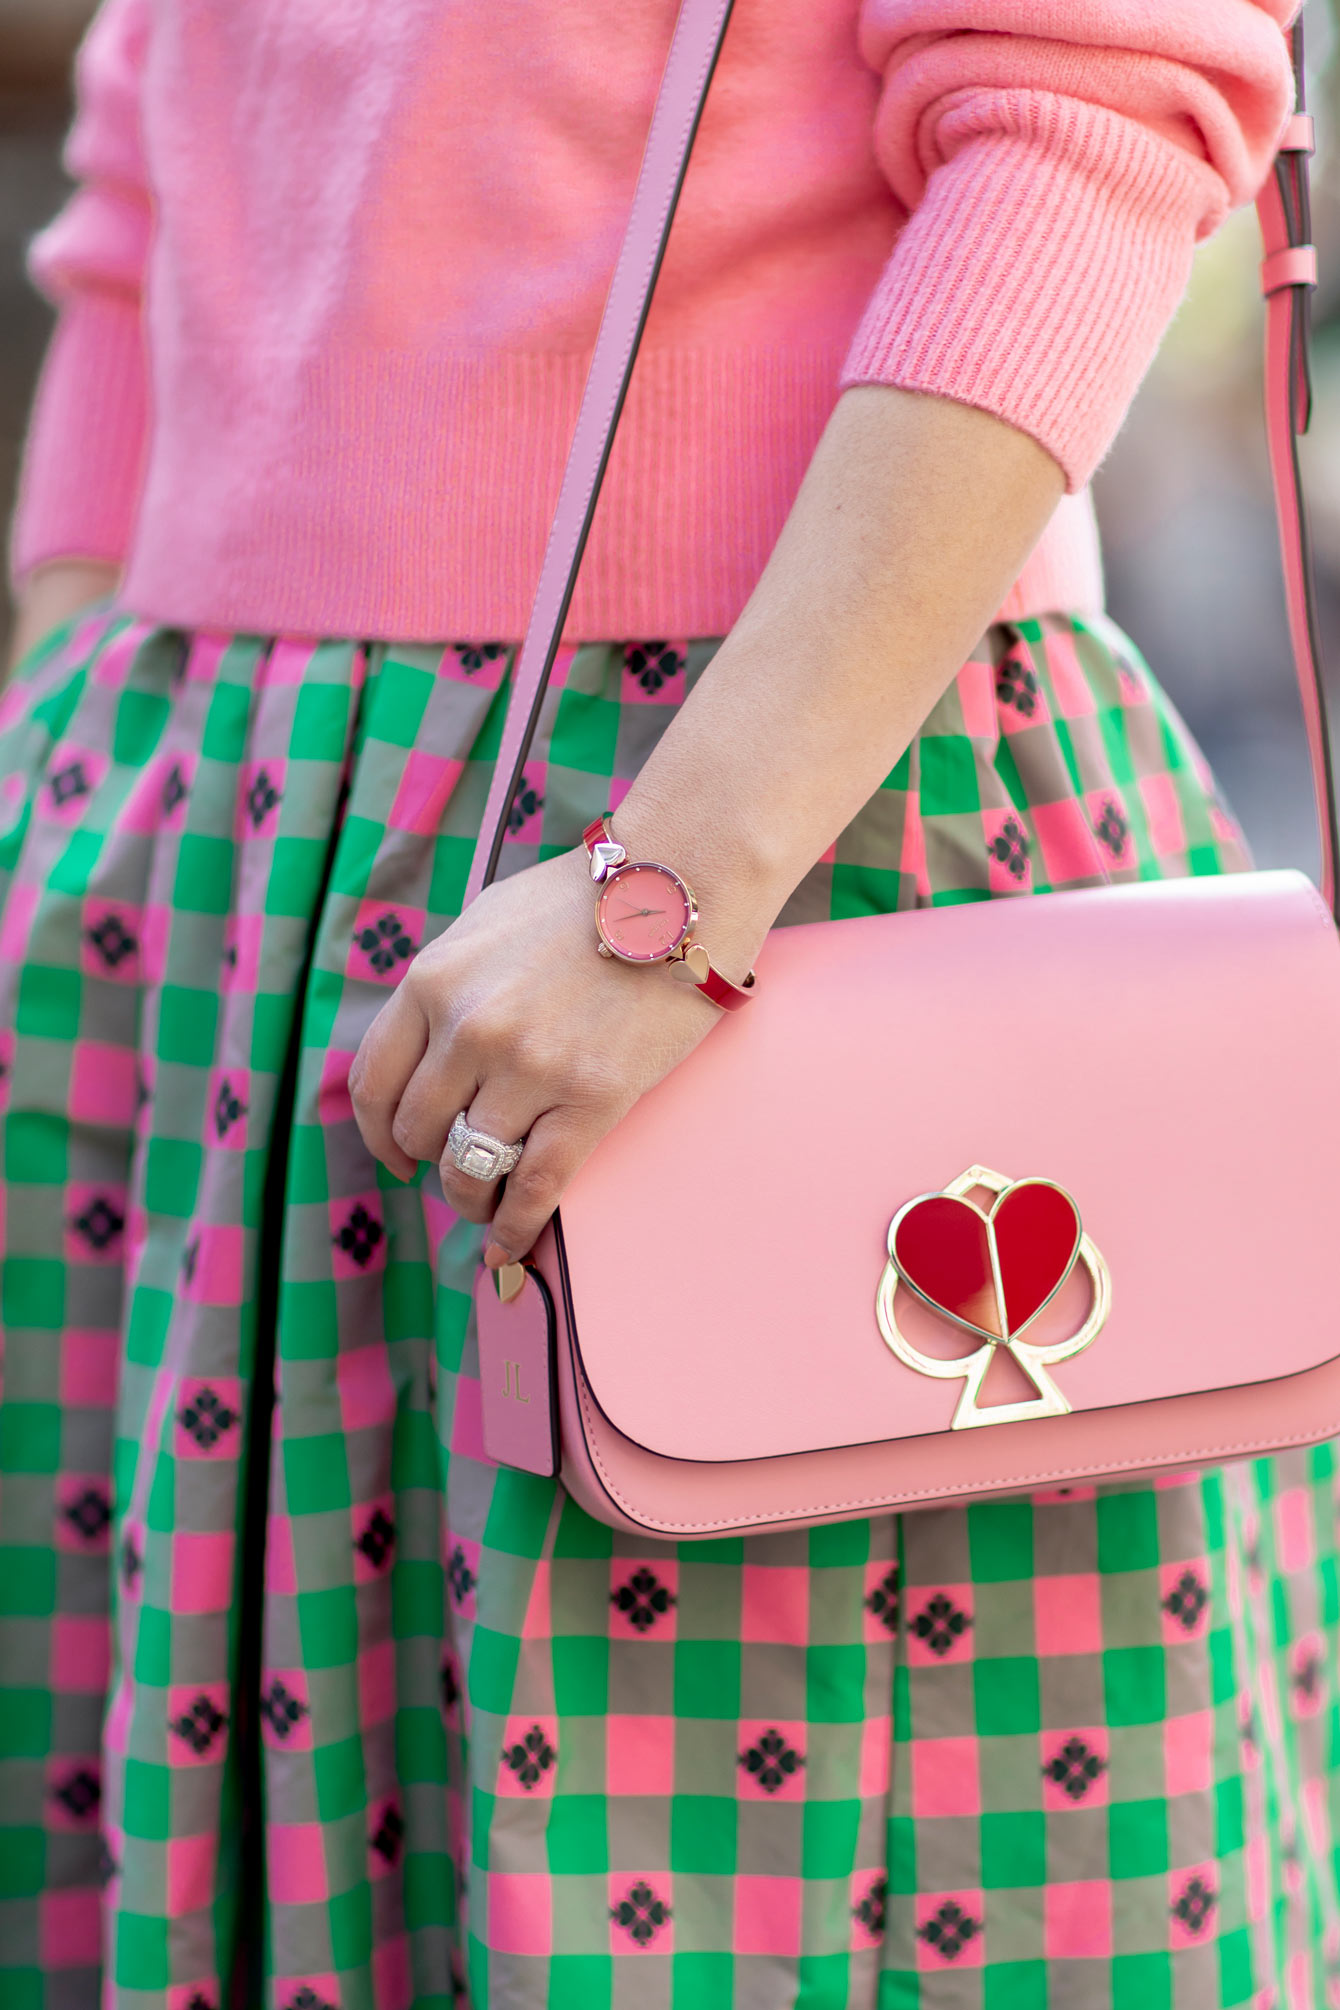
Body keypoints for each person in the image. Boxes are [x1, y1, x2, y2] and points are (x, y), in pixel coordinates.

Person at [2, 1, 1326, 2005]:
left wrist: (677, 889)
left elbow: (1091, 108)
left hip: (764, 835)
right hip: (204, 877)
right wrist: (70, 730)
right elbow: (148, 173)